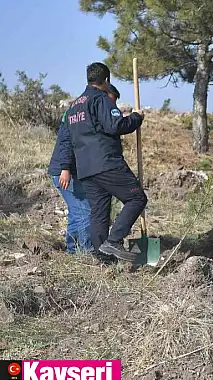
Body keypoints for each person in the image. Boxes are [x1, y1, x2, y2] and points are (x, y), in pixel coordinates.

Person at [65, 62, 146, 262]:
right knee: (137, 198)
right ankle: (114, 240)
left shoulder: (74, 106)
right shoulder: (100, 99)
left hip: (86, 169)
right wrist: (136, 118)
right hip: (106, 163)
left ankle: (103, 258)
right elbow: (115, 125)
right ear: (107, 81)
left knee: (99, 212)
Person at [47, 84, 121, 254]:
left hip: (73, 170)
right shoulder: (78, 113)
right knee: (85, 211)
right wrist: (65, 168)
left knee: (76, 212)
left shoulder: (89, 114)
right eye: (109, 103)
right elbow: (66, 140)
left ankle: (73, 250)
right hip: (65, 171)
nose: (111, 108)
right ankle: (87, 252)